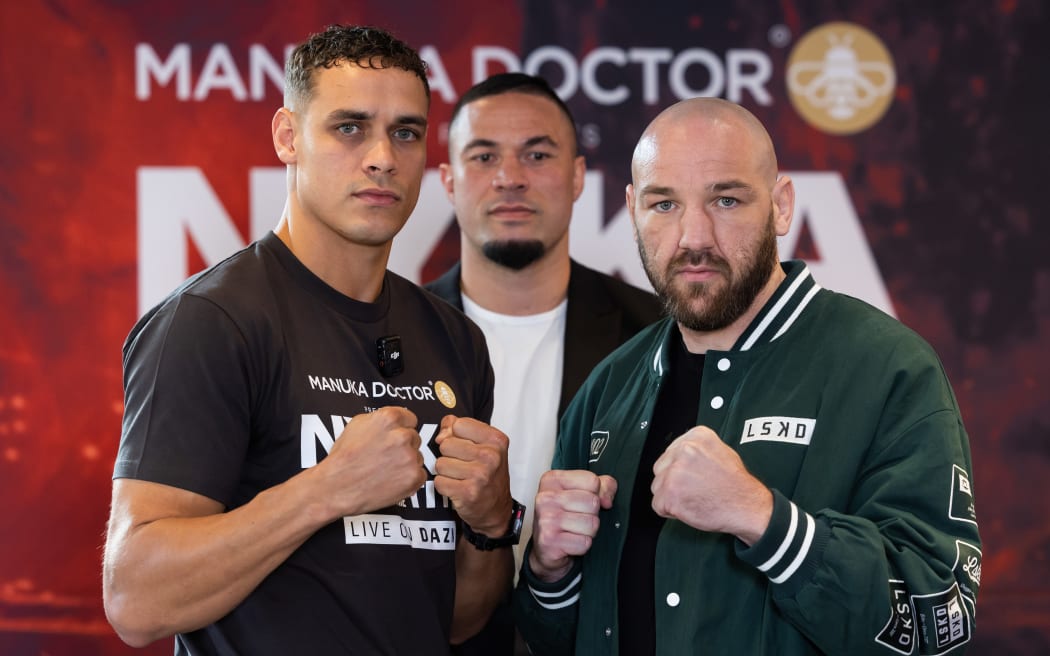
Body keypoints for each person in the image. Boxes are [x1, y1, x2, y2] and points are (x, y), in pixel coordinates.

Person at [103, 25, 520, 655]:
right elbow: (136, 600)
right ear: (287, 136)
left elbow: (457, 619)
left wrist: (491, 527)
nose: (382, 156)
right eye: (349, 127)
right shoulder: (212, 321)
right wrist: (326, 490)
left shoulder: (453, 338)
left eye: (405, 132)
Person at [514, 97, 981, 655]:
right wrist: (549, 571)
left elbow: (939, 622)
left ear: (782, 207)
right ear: (632, 209)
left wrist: (765, 520)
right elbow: (555, 638)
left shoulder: (888, 367)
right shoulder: (609, 387)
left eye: (726, 199)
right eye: (664, 204)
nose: (693, 238)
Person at [425, 73, 663, 654]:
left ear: (578, 176)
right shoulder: (390, 337)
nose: (510, 177)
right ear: (449, 181)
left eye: (537, 153)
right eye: (484, 156)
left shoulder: (658, 337)